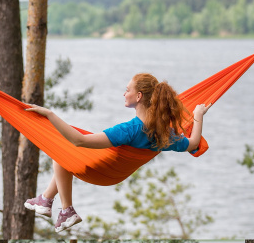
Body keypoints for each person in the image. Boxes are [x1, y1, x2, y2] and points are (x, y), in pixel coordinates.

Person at [24, 73, 211, 232]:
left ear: (138, 96)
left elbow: (79, 141)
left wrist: (50, 115)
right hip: (116, 175)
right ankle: (46, 200)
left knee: (62, 151)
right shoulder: (165, 134)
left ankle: (66, 210)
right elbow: (193, 143)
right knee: (64, 155)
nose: (124, 93)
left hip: (101, 170)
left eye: (127, 90)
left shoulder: (129, 130)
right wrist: (198, 116)